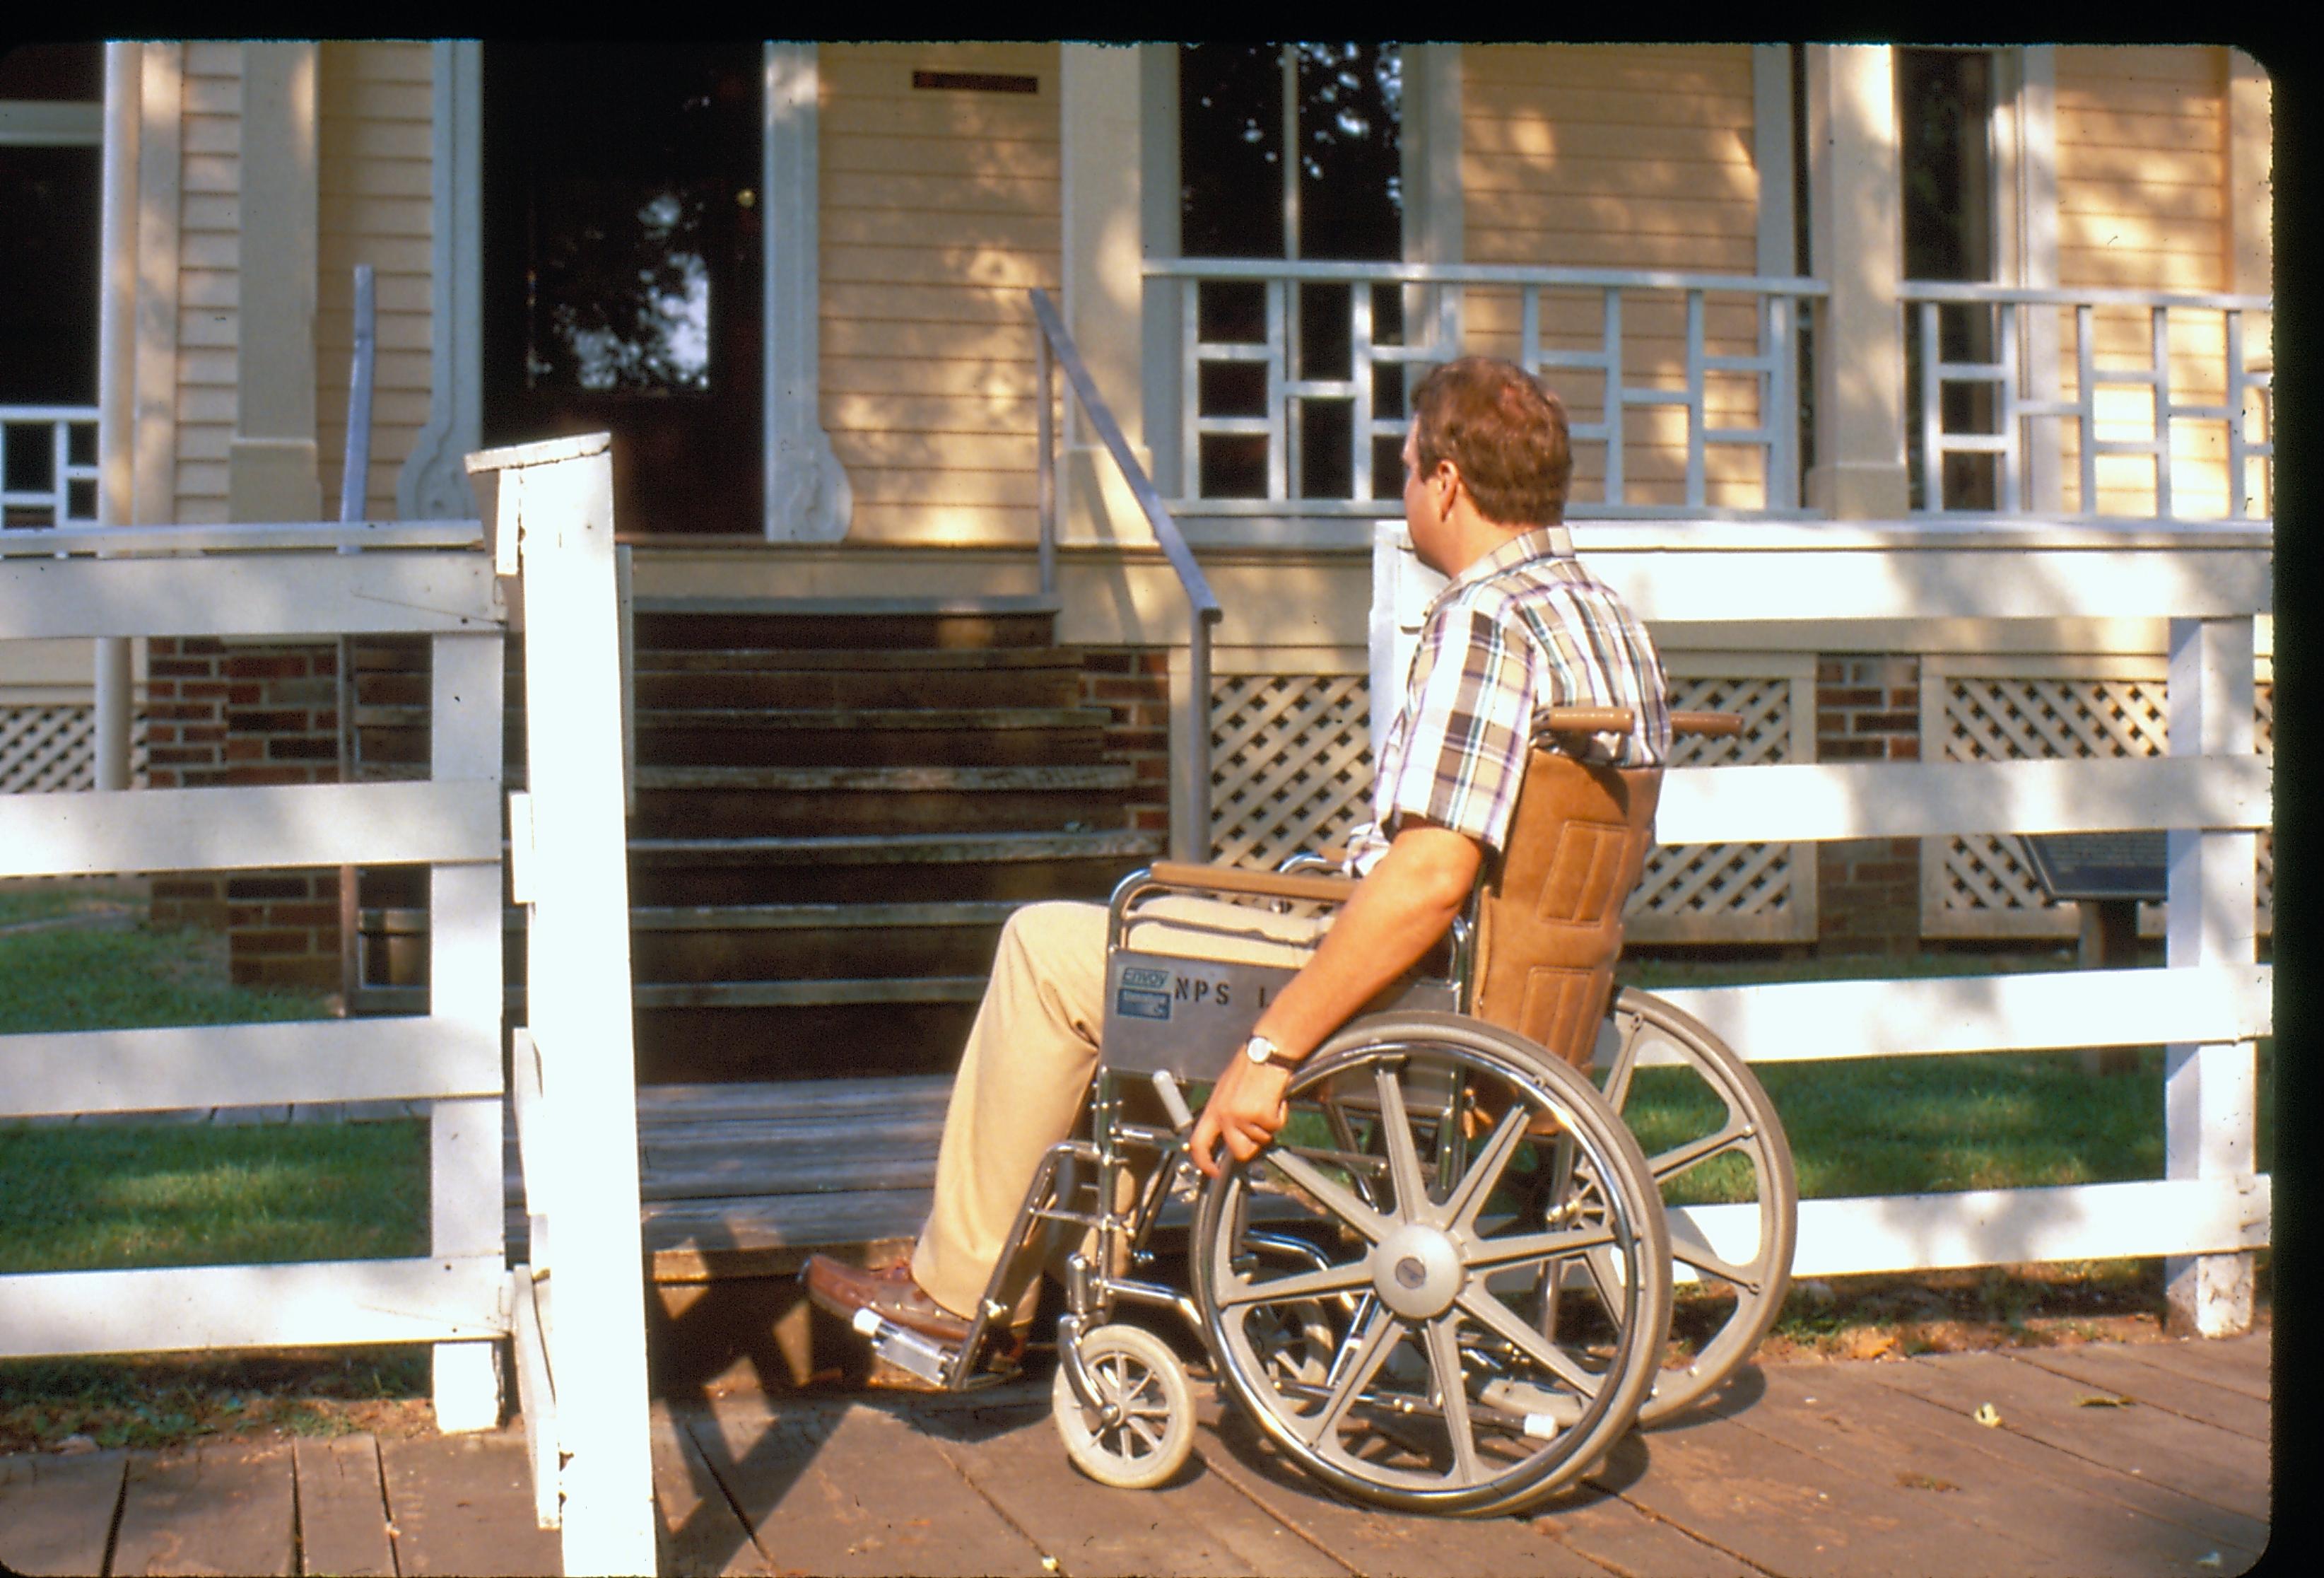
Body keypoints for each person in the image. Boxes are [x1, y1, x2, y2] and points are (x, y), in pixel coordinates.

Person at [802, 356, 1671, 1352]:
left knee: (1055, 950)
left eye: (1404, 469)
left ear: (1447, 482)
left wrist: (1268, 1052)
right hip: (1521, 991)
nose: (1403, 492)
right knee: (1153, 949)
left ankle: (963, 1293)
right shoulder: (1604, 616)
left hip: (1415, 986)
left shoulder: (1488, 621)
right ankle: (1059, 1278)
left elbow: (1431, 878)